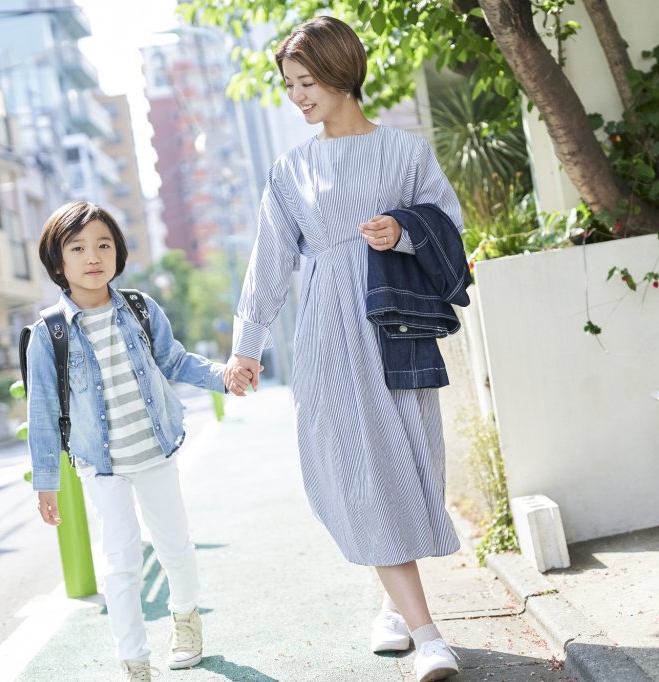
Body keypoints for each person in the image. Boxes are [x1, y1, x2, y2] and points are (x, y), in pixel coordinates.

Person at [223, 16, 464, 682]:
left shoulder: (404, 152)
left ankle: (391, 609)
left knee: (411, 463)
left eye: (307, 82)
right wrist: (247, 347)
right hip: (330, 335)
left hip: (395, 327)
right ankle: (429, 635)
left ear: (340, 72)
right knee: (362, 472)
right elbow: (268, 263)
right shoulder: (292, 168)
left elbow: (450, 224)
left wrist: (403, 231)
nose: (298, 97)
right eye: (290, 86)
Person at [27, 201, 253, 682]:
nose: (93, 256)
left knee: (174, 546)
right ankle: (134, 661)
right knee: (121, 560)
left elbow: (175, 361)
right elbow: (42, 409)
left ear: (118, 252)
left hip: (153, 449)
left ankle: (185, 617)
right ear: (57, 262)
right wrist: (45, 483)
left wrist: (223, 376)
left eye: (104, 245)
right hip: (99, 463)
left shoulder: (139, 309)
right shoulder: (48, 333)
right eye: (79, 247)